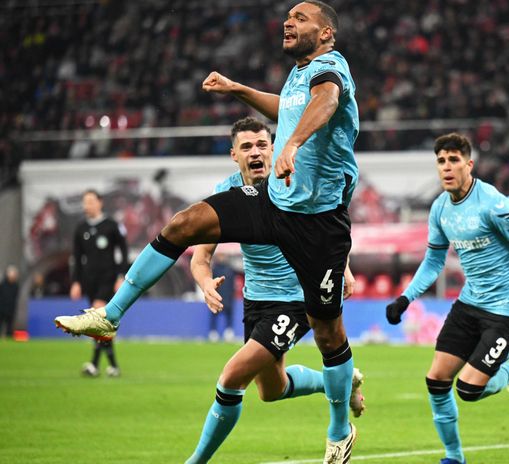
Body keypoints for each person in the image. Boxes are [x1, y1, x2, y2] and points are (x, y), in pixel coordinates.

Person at [55, 2, 360, 461]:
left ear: (326, 33)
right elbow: (288, 110)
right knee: (186, 223)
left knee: (329, 334)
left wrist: (293, 143)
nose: (288, 21)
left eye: (301, 17)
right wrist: (239, 89)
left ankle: (339, 431)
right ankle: (111, 314)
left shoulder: (331, 68)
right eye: (288, 16)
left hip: (318, 225)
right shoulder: (298, 76)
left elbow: (327, 102)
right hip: (275, 204)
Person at [186, 117, 364, 463]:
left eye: (262, 145)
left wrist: (343, 268)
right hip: (256, 300)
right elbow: (200, 258)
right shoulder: (226, 194)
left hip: (296, 298)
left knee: (232, 377)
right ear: (234, 155)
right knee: (272, 389)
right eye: (246, 147)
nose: (256, 152)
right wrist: (205, 282)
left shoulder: (292, 182)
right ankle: (343, 382)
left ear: (273, 148)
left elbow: (329, 228)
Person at [385, 133, 509, 464]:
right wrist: (405, 298)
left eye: (453, 160)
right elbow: (434, 261)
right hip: (469, 303)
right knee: (436, 380)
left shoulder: (492, 203)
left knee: (469, 390)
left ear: (468, 164)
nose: (446, 167)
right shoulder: (440, 208)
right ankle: (454, 457)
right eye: (441, 161)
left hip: (506, 310)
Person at [71, 189, 128, 377]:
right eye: (85, 202)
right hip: (89, 280)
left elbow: (123, 251)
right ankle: (111, 366)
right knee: (101, 323)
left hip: (108, 278)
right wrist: (76, 282)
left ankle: (95, 365)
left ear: (99, 202)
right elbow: (77, 258)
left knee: (97, 318)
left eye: (90, 201)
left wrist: (121, 276)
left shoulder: (112, 226)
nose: (87, 205)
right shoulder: (81, 228)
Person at [207, 251, 237, 342]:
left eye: (223, 255)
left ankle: (229, 332)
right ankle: (213, 333)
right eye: (220, 255)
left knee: (229, 315)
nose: (222, 257)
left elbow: (233, 284)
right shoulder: (214, 269)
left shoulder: (230, 269)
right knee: (214, 314)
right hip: (216, 297)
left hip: (228, 297)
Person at [0, 265, 20, 338]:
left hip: (11, 308)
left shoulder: (16, 286)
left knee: (10, 325)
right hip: (2, 308)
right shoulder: (2, 285)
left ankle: (8, 337)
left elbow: (16, 297)